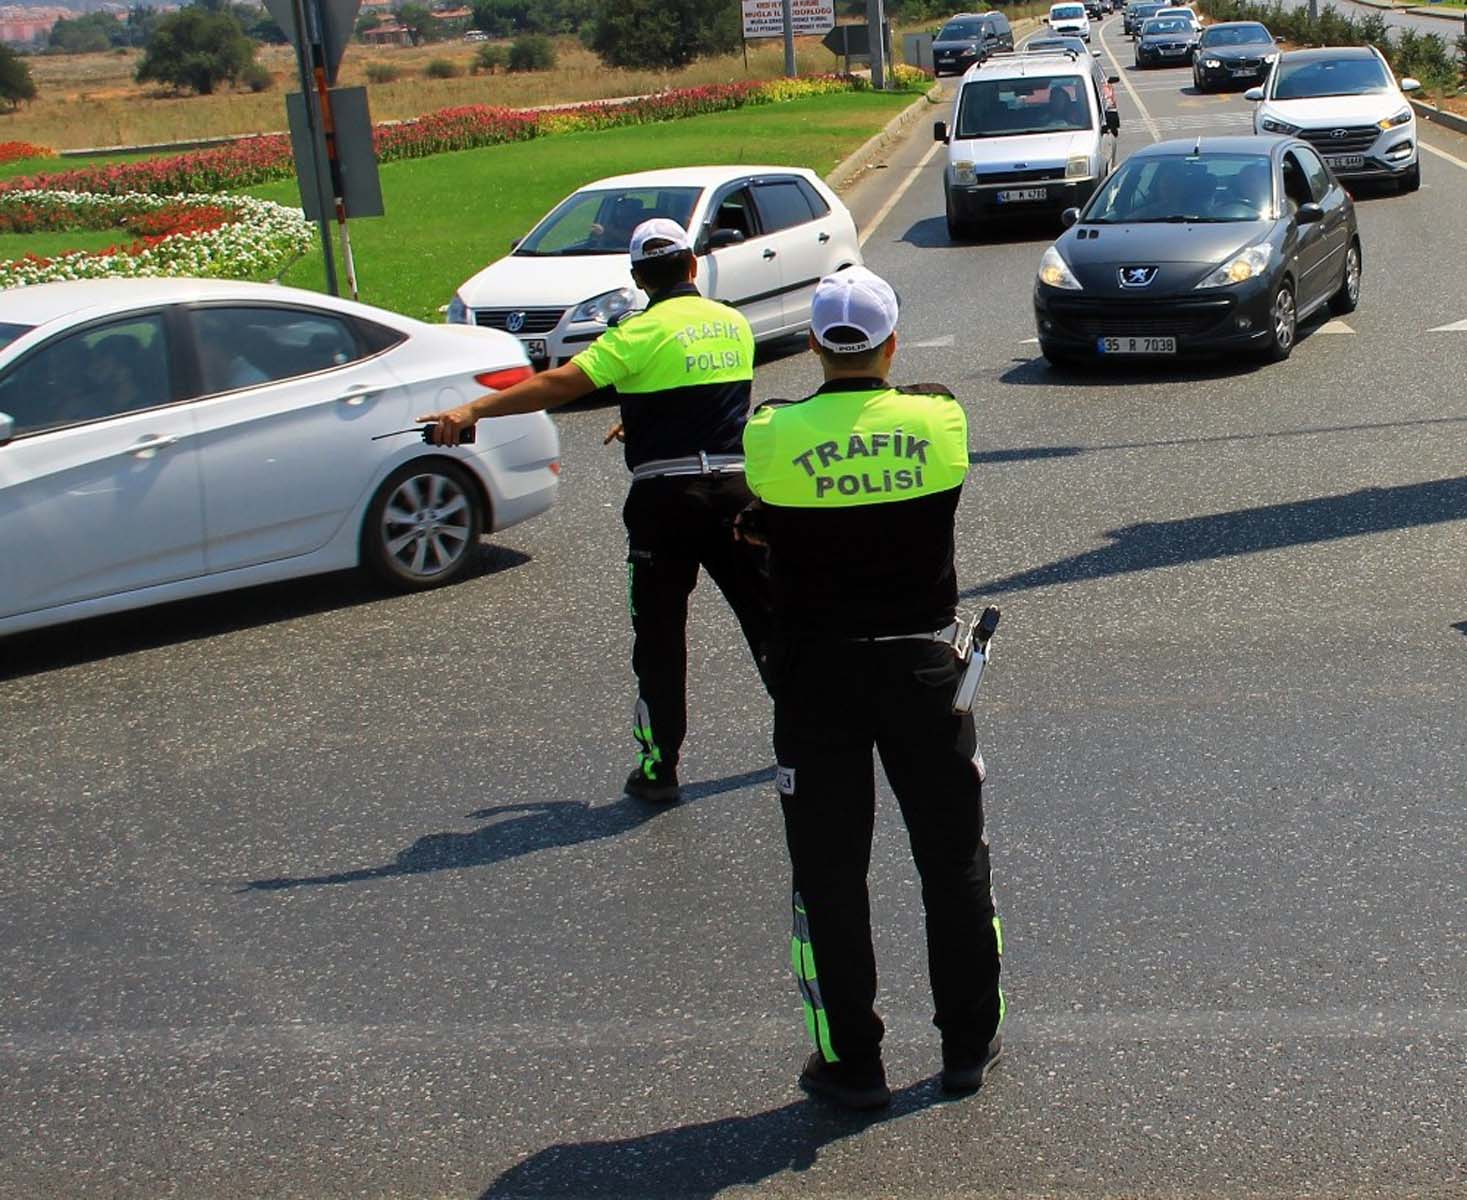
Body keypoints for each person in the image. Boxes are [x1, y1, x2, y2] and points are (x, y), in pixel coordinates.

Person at [739, 267, 1003, 1112]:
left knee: (828, 874)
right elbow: (929, 407)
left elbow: (761, 499)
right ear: (891, 344)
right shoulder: (937, 418)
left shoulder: (772, 432)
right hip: (922, 667)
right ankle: (967, 1044)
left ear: (814, 345)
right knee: (952, 863)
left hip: (815, 677)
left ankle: (852, 1061)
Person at [418, 218, 769, 804]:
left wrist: (474, 410)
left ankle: (660, 768)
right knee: (770, 622)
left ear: (638, 277)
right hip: (736, 495)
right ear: (691, 267)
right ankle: (808, 739)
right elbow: (713, 398)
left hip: (664, 504)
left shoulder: (635, 334)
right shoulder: (732, 324)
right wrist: (645, 419)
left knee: (660, 640)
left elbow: (560, 384)